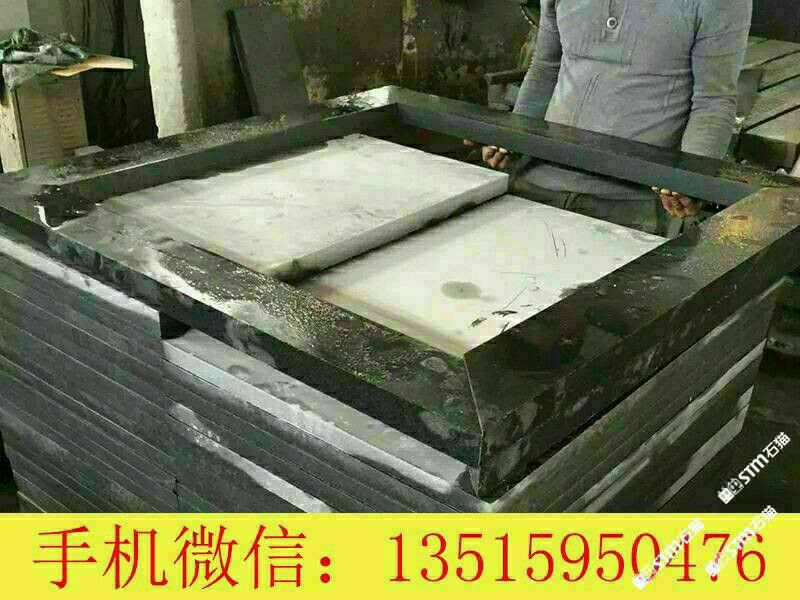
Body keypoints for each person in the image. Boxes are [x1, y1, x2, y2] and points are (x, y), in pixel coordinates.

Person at [478, 0, 753, 236]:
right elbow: (545, 67)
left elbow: (713, 100)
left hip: (634, 204)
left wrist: (691, 180)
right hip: (535, 180)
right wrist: (513, 136)